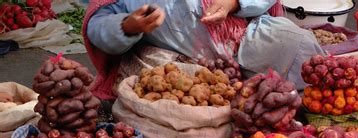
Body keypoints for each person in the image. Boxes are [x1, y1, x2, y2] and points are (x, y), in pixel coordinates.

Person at [83, 0, 325, 100]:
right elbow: (98, 25)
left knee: (295, 41)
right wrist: (128, 25)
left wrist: (234, 3)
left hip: (244, 37)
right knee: (157, 86)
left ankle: (303, 107)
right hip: (179, 62)